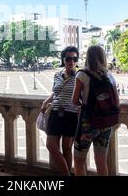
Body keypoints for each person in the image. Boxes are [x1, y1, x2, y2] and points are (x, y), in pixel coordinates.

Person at [72, 45, 120, 176]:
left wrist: (86, 104)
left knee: (78, 161)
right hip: (106, 123)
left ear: (88, 57)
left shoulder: (82, 75)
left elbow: (74, 101)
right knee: (101, 162)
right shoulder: (109, 75)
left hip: (88, 124)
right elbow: (117, 101)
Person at [41, 46, 79, 176]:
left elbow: (84, 95)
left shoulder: (80, 75)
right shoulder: (57, 75)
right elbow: (55, 93)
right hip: (56, 113)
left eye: (74, 58)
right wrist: (46, 101)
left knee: (67, 148)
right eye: (68, 58)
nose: (71, 61)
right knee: (51, 145)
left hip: (71, 114)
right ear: (63, 59)